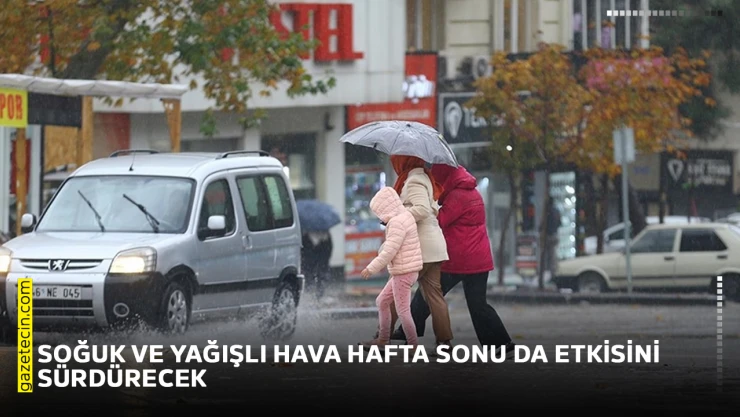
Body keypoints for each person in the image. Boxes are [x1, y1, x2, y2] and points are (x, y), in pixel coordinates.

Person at [390, 164, 515, 354]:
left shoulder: (458, 196)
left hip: (459, 259)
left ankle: (409, 332)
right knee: (478, 305)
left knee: (428, 292)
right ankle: (502, 344)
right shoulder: (470, 192)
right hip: (478, 259)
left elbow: (440, 221)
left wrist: (427, 205)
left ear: (445, 177)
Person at [368, 155, 453, 348]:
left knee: (393, 293)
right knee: (434, 296)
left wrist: (396, 218)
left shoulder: (414, 180)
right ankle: (444, 342)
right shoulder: (424, 177)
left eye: (396, 160)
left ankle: (382, 337)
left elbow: (422, 209)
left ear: (404, 161)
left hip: (418, 247)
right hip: (433, 247)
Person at [359, 187, 423, 347]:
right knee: (382, 301)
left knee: (403, 311)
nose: (380, 218)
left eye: (379, 213)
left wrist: (371, 268)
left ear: (384, 209)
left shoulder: (396, 223)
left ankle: (413, 346)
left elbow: (389, 251)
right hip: (406, 270)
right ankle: (383, 339)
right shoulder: (405, 216)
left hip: (403, 272)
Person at [301, 230, 333, 299]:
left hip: (318, 252)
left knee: (319, 272)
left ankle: (317, 292)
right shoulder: (325, 234)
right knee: (311, 272)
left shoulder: (325, 237)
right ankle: (312, 291)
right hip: (312, 253)